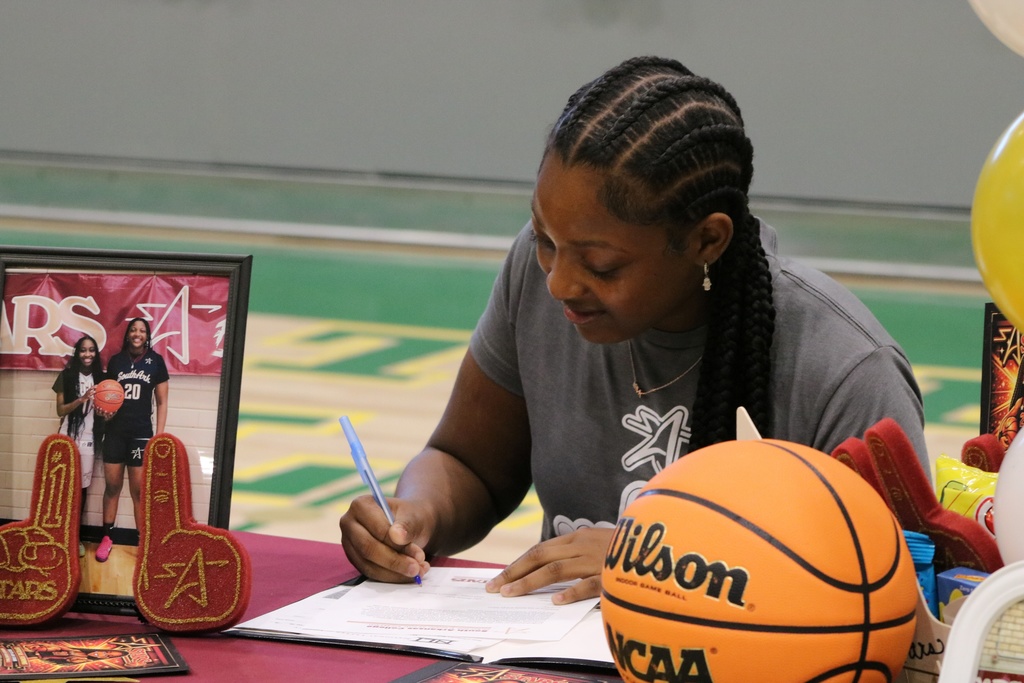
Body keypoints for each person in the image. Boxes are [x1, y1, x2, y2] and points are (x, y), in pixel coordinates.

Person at [339, 56, 927, 604]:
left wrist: (662, 564)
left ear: (706, 241)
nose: (559, 283)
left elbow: (892, 598)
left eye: (600, 265)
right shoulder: (541, 273)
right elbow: (467, 462)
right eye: (545, 238)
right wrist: (416, 514)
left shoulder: (845, 369)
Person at [96, 317, 169, 562]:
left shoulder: (156, 362)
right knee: (112, 487)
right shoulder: (116, 361)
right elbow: (108, 397)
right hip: (115, 432)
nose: (137, 334)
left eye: (142, 330)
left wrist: (157, 437)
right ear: (127, 334)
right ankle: (106, 538)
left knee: (138, 492)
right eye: (133, 330)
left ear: (146, 335)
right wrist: (104, 415)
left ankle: (143, 542)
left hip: (141, 434)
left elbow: (162, 402)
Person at [52, 334, 107, 557]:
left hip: (89, 439)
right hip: (68, 436)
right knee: (64, 487)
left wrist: (106, 413)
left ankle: (75, 537)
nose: (87, 354)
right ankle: (59, 535)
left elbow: (107, 410)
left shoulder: (102, 378)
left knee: (81, 490)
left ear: (96, 353)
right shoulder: (67, 375)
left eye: (91, 350)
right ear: (77, 353)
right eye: (83, 350)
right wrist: (81, 399)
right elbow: (60, 410)